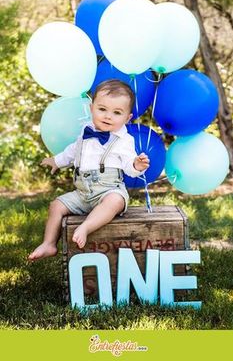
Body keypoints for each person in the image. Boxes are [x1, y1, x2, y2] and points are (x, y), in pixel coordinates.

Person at [28, 79, 150, 261]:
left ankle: (86, 226)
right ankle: (49, 243)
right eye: (102, 109)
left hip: (109, 189)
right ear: (92, 108)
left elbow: (128, 166)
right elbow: (73, 150)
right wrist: (57, 161)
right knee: (56, 205)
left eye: (117, 113)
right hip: (83, 193)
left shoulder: (124, 140)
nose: (108, 116)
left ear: (127, 118)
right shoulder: (86, 130)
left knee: (115, 201)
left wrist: (136, 165)